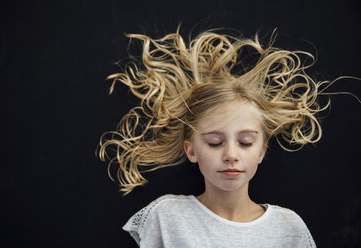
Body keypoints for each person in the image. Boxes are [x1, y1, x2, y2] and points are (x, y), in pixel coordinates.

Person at [97, 28, 328, 247]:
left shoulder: (289, 227)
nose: (230, 155)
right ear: (191, 150)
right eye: (215, 142)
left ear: (262, 151)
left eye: (245, 142)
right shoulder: (166, 217)